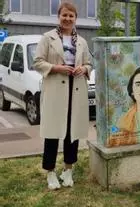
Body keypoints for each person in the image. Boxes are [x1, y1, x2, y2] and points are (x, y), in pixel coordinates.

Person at [33, 2, 92, 190]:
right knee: (52, 134)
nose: (67, 19)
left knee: (72, 134)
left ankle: (68, 169)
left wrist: (84, 68)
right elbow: (37, 62)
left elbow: (90, 63)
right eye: (64, 15)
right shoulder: (47, 38)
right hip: (56, 91)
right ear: (59, 16)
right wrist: (56, 68)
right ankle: (50, 172)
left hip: (76, 90)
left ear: (75, 18)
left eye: (71, 16)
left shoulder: (82, 41)